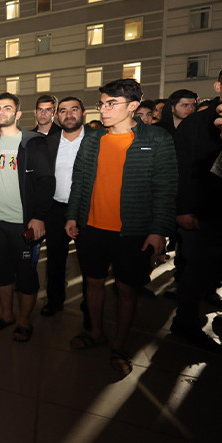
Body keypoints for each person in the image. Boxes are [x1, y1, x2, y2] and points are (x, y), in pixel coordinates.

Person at [66, 79, 177, 376]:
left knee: (127, 289)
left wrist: (159, 230)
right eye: (102, 103)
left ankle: (120, 344)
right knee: (93, 282)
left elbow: (166, 188)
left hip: (133, 231)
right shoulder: (92, 139)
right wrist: (72, 216)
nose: (103, 109)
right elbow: (79, 181)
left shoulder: (157, 139)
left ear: (133, 106)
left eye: (111, 104)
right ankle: (95, 332)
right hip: (91, 227)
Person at [0, 92, 54, 343]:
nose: (1, 112)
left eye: (7, 108)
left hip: (22, 223)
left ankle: (24, 321)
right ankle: (7, 314)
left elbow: (47, 181)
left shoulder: (32, 143)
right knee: (0, 273)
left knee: (26, 275)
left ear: (18, 114)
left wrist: (38, 217)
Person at [171, 70, 222, 352]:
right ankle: (186, 322)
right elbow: (181, 170)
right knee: (198, 269)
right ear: (218, 86)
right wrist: (184, 210)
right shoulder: (196, 124)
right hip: (202, 213)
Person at [41, 97, 90, 318]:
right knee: (55, 260)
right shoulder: (49, 142)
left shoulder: (96, 139)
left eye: (74, 109)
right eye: (63, 111)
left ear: (83, 113)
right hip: (56, 209)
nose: (68, 115)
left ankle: (90, 303)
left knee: (89, 261)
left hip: (87, 210)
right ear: (57, 115)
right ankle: (54, 301)